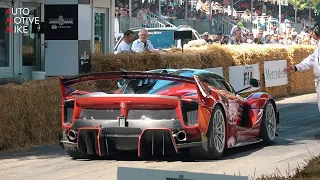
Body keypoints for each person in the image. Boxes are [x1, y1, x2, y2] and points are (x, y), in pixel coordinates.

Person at [283, 25, 320, 138]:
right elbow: (310, 61)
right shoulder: (318, 47)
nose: (312, 35)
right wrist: (296, 67)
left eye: (314, 33)